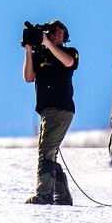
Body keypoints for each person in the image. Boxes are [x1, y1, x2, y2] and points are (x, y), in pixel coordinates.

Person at [22, 20, 79, 206]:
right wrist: (29, 50)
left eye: (61, 31)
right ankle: (62, 196)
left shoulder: (70, 52)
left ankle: (44, 194)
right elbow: (29, 77)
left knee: (46, 152)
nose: (57, 33)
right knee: (49, 152)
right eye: (53, 30)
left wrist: (47, 43)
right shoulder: (40, 55)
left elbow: (68, 62)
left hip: (60, 109)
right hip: (47, 111)